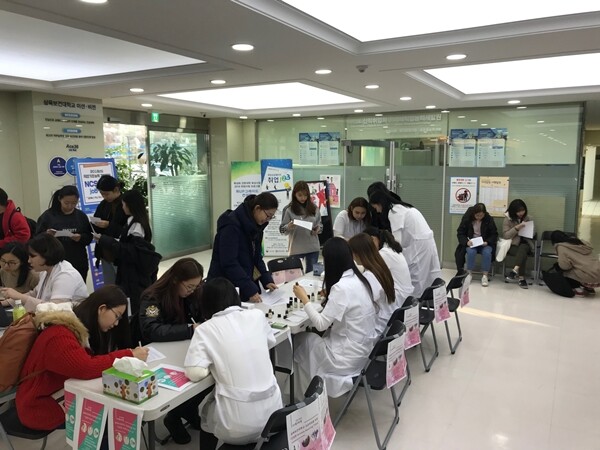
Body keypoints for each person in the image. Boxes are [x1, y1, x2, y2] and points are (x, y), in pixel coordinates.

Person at [15, 299, 148, 432]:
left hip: (55, 394)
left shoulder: (74, 330)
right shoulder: (59, 334)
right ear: (101, 309)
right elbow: (86, 367)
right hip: (39, 407)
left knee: (116, 407)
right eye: (116, 316)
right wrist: (128, 355)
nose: (116, 323)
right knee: (113, 416)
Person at [184, 278, 283, 449]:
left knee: (206, 414)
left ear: (205, 303)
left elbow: (195, 373)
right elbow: (269, 341)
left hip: (237, 425)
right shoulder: (257, 315)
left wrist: (214, 366)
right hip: (274, 416)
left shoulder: (205, 329)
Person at [291, 237, 379, 398]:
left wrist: (304, 299)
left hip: (346, 359)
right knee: (312, 342)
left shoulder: (342, 288)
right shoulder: (360, 279)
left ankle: (303, 396)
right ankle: (303, 390)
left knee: (301, 340)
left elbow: (321, 324)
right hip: (364, 353)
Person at [207, 192, 278, 303]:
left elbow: (256, 257)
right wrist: (248, 288)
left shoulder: (257, 226)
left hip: (240, 281)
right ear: (257, 208)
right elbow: (229, 263)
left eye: (271, 217)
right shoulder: (231, 225)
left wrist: (266, 279)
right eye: (267, 215)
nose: (267, 219)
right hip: (224, 287)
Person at [368, 190, 441, 297]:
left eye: (376, 207)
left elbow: (396, 242)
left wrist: (383, 252)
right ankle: (426, 299)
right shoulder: (405, 207)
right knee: (428, 276)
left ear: (380, 203)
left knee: (416, 278)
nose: (378, 211)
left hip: (418, 247)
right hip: (426, 244)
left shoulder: (394, 212)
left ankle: (416, 302)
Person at [97, 189, 158, 316]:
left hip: (134, 274)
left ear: (131, 205)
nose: (122, 207)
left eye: (124, 204)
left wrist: (105, 240)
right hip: (129, 272)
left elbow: (131, 251)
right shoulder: (132, 220)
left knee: (136, 305)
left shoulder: (137, 226)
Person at [0, 233, 88, 312]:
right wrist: (6, 302)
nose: (29, 261)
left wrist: (19, 296)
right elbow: (35, 293)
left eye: (32, 256)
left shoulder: (65, 275)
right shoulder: (46, 271)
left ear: (46, 255)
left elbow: (55, 309)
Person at [37, 185, 93, 282]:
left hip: (78, 261)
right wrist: (47, 235)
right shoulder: (48, 216)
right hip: (55, 262)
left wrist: (80, 237)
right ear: (60, 199)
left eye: (74, 203)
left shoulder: (81, 216)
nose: (70, 206)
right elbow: (36, 238)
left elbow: (89, 237)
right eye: (66, 203)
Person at [348, 233, 396, 334]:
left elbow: (363, 304)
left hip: (378, 326)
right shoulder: (379, 267)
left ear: (358, 254)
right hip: (387, 319)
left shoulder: (369, 276)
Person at [279, 181, 322, 272]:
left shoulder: (314, 208)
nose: (303, 198)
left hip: (313, 247)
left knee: (311, 275)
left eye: (305, 195)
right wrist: (288, 226)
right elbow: (282, 230)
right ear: (294, 194)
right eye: (300, 195)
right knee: (295, 275)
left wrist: (318, 229)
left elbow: (320, 225)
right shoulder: (288, 209)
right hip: (295, 248)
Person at [363, 226, 414, 303]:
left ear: (373, 239)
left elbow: (370, 272)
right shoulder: (391, 250)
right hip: (406, 296)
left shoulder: (384, 253)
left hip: (399, 298)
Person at [93, 175, 128, 285]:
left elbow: (128, 229)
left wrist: (109, 225)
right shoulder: (104, 204)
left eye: (106, 194)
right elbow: (96, 218)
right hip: (105, 252)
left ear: (116, 190)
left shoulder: (126, 204)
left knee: (122, 286)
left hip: (121, 252)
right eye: (101, 194)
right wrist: (95, 224)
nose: (104, 197)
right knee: (109, 286)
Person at [455, 203, 498, 287]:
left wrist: (487, 242)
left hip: (484, 243)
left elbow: (494, 234)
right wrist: (466, 242)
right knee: (471, 252)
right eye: (477, 215)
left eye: (481, 215)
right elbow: (460, 233)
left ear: (484, 214)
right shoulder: (467, 219)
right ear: (473, 213)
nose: (479, 217)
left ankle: (485, 275)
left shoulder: (489, 219)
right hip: (472, 243)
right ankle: (469, 274)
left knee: (487, 253)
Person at [550, 231, 600, 296]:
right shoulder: (580, 242)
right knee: (583, 267)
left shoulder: (561, 247)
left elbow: (564, 266)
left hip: (589, 279)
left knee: (561, 269)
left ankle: (577, 289)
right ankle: (589, 289)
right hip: (598, 276)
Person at [502, 199, 534, 289]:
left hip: (527, 244)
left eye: (523, 210)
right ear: (513, 211)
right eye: (518, 211)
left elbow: (533, 233)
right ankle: (521, 278)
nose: (521, 213)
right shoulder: (507, 219)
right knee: (522, 253)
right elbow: (506, 235)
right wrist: (516, 228)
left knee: (523, 248)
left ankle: (515, 271)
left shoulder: (528, 218)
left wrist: (529, 230)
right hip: (513, 245)